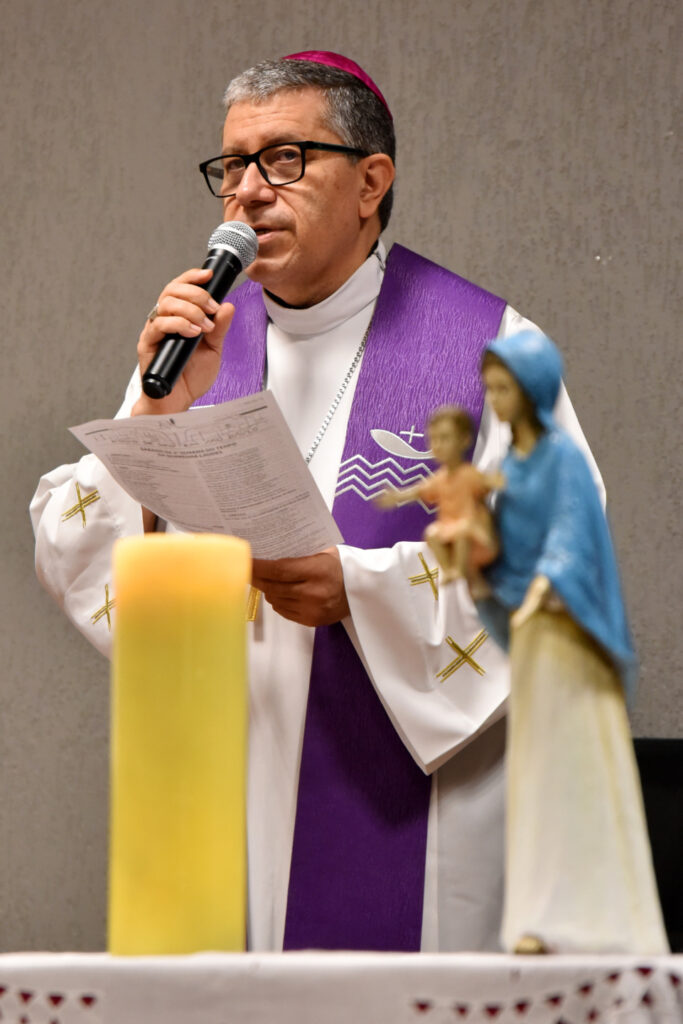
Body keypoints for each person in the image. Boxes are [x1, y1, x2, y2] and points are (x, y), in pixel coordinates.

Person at [30, 52, 603, 952]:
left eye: (284, 158)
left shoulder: (490, 347)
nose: (248, 194)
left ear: (371, 181)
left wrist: (362, 588)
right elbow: (80, 555)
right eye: (231, 167)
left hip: (409, 808)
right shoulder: (197, 345)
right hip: (226, 786)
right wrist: (154, 409)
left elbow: (560, 568)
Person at [476, 330, 668, 954]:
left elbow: (572, 533)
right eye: (492, 389)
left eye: (505, 388)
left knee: (574, 765)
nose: (496, 400)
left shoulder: (563, 459)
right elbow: (505, 547)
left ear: (533, 390)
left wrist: (542, 587)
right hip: (532, 637)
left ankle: (595, 918)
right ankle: (539, 914)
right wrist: (480, 572)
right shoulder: (512, 465)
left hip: (566, 631)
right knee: (535, 769)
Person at [375, 405, 500, 585]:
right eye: (433, 439)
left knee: (463, 531)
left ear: (464, 440)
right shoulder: (440, 479)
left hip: (472, 530)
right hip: (449, 529)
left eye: (445, 438)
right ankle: (448, 570)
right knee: (432, 533)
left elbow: (487, 483)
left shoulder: (468, 474)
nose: (438, 446)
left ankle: (461, 571)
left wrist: (503, 481)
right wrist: (397, 497)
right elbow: (419, 491)